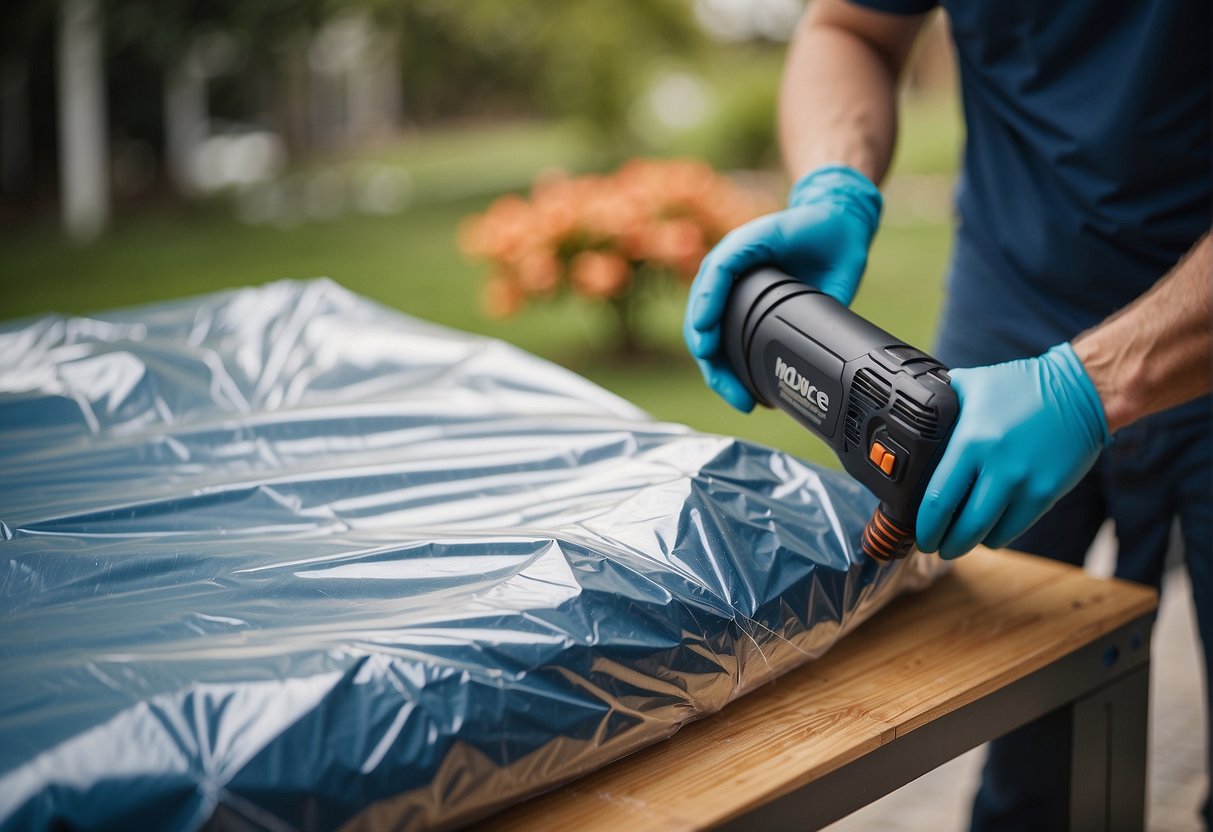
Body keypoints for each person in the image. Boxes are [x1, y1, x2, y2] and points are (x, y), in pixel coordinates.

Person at [682, 0, 1212, 828]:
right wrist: (835, 182)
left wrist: (1092, 383)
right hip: (1006, 315)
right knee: (1027, 766)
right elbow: (849, 28)